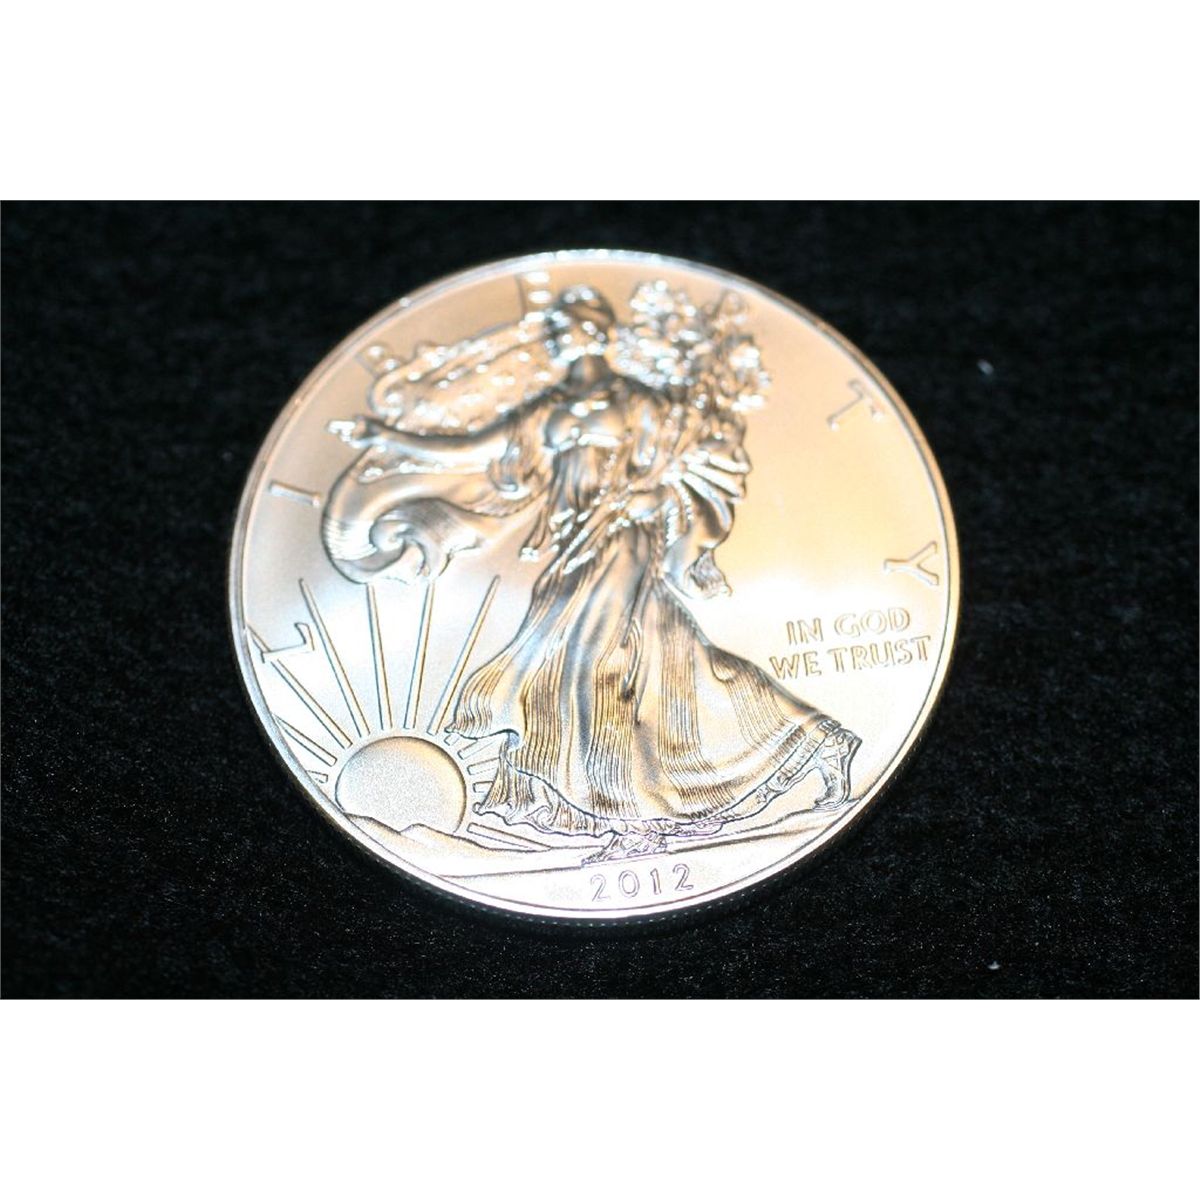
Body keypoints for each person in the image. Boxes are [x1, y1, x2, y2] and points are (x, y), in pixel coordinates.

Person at [323, 282, 859, 862]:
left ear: (596, 330)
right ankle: (814, 739)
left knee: (594, 666)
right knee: (672, 663)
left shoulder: (640, 402)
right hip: (573, 548)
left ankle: (635, 820)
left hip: (624, 538)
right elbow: (472, 449)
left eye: (567, 325)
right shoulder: (546, 409)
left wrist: (654, 496)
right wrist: (388, 437)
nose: (558, 337)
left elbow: (694, 458)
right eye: (555, 327)